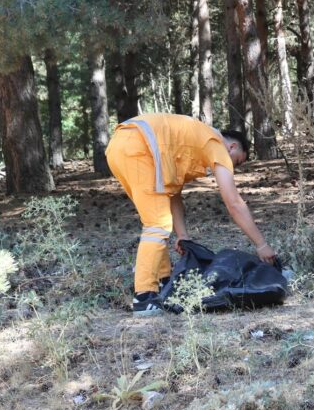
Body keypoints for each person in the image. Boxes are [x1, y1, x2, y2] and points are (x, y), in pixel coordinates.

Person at [105, 113, 278, 316]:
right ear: (232, 147)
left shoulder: (188, 140)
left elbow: (172, 195)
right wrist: (261, 245)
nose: (233, 167)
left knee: (157, 219)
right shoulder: (214, 142)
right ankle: (144, 297)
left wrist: (183, 235)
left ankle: (163, 281)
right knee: (157, 225)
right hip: (138, 147)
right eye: (237, 162)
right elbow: (234, 204)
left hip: (120, 147)